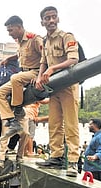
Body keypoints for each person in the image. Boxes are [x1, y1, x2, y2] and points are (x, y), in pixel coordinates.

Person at [35, 6, 81, 177]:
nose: (51, 21)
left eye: (53, 17)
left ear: (58, 19)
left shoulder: (66, 37)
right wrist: (40, 76)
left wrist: (52, 69)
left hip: (68, 86)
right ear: (42, 22)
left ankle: (74, 161)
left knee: (71, 125)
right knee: (54, 124)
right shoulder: (45, 41)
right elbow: (43, 62)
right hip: (54, 88)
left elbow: (73, 59)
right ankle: (56, 156)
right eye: (47, 18)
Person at [0, 15, 43, 140]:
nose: (9, 33)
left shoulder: (34, 39)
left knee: (15, 78)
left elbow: (46, 57)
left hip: (36, 72)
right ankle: (12, 121)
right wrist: (9, 58)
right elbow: (21, 54)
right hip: (24, 74)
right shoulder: (19, 42)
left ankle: (18, 110)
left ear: (19, 27)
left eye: (11, 30)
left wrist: (40, 76)